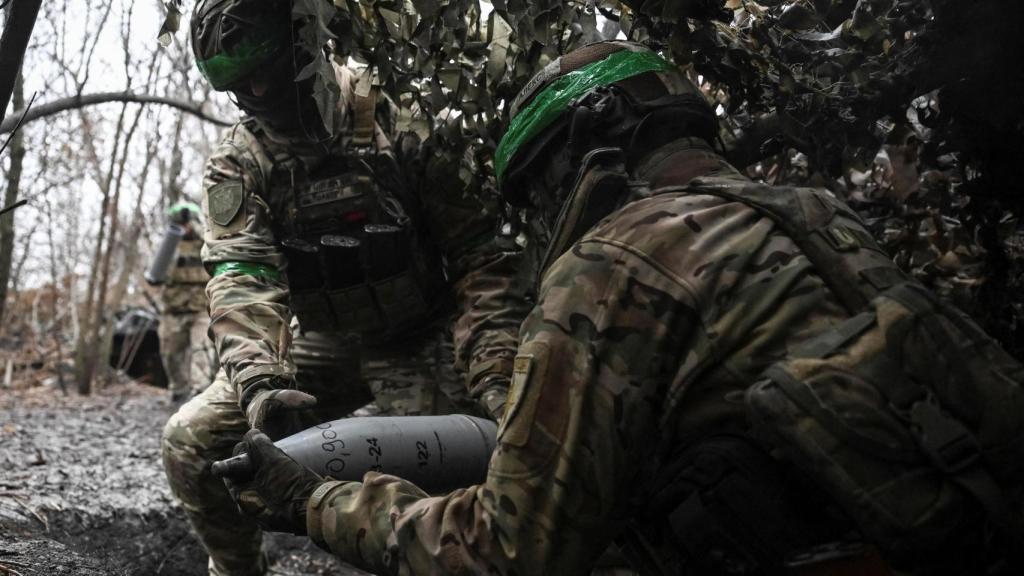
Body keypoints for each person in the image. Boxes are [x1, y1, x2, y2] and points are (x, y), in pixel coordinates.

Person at [220, 41, 1024, 576]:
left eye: (538, 188)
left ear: (585, 153)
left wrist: (310, 500)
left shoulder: (613, 262)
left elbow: (507, 549)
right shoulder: (815, 212)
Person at [161, 1, 528, 574]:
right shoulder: (241, 162)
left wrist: (496, 371)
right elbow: (241, 279)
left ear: (306, 43)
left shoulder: (402, 118)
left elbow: (482, 256)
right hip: (321, 347)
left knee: (494, 459)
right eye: (236, 83)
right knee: (192, 440)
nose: (257, 90)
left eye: (268, 66)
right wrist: (261, 384)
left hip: (424, 337)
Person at [153, 200, 215, 405]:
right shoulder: (168, 246)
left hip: (201, 310)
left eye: (187, 222)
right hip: (174, 310)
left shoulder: (208, 244)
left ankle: (200, 395)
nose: (184, 227)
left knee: (202, 352)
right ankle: (179, 390)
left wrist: (199, 231)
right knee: (170, 355)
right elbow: (155, 276)